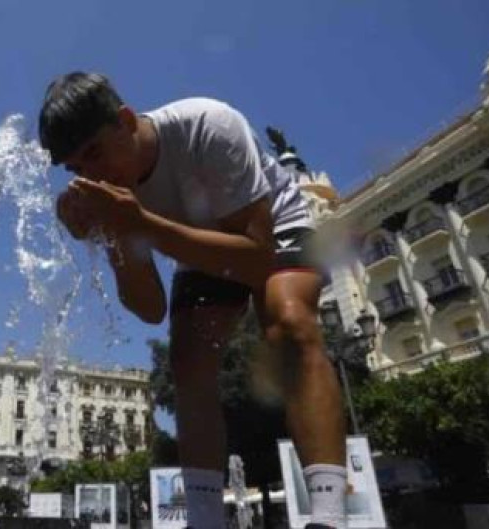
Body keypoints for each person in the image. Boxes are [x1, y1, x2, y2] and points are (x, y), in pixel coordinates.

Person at [39, 72, 347, 529]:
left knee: (288, 322)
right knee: (188, 362)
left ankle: (329, 515)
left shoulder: (208, 124)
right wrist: (113, 234)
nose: (91, 175)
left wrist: (141, 222)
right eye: (76, 169)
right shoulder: (106, 194)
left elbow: (258, 261)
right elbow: (148, 308)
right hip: (197, 244)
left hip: (269, 229)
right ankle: (204, 519)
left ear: (124, 120)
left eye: (95, 154)